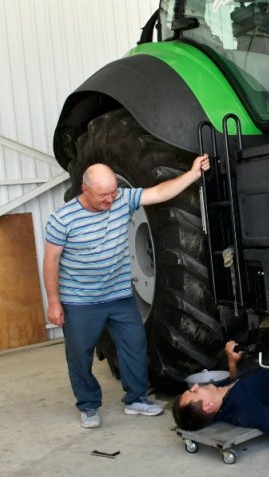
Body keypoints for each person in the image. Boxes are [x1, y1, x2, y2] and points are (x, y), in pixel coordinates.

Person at [43, 156, 210, 428]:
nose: (111, 200)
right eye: (103, 196)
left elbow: (158, 192)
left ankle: (136, 400)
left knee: (134, 345)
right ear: (85, 190)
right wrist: (53, 302)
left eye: (113, 193)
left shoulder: (122, 199)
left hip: (119, 296)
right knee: (79, 354)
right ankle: (88, 405)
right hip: (81, 301)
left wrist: (192, 174)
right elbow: (50, 261)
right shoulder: (63, 219)